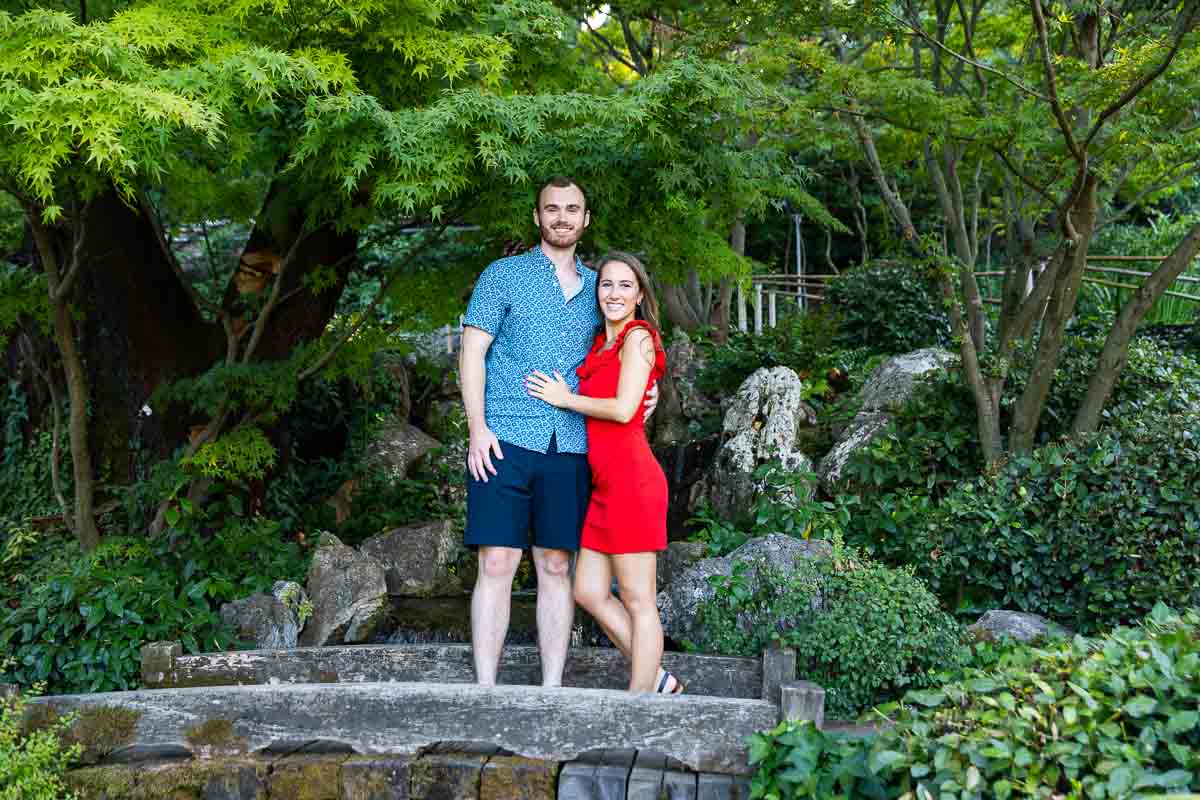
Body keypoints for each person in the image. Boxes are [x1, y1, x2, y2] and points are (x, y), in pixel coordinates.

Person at [458, 177, 657, 688]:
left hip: (572, 447)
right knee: (497, 561)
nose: (562, 217)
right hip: (503, 438)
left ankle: (551, 691)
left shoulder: (601, 288)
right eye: (552, 209)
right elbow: (473, 353)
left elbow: (624, 361)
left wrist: (645, 399)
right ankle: (485, 691)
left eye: (572, 209)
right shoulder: (502, 276)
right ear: (537, 217)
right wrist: (477, 428)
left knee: (555, 565)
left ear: (585, 220)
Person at [524, 251, 682, 694]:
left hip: (633, 481)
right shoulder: (602, 344)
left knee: (637, 599)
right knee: (588, 592)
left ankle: (638, 704)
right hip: (605, 486)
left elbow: (624, 408)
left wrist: (564, 399)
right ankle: (658, 678)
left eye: (625, 285)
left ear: (639, 295)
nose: (614, 293)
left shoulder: (638, 337)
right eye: (607, 284)